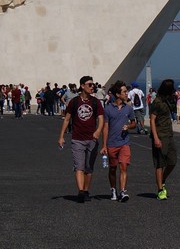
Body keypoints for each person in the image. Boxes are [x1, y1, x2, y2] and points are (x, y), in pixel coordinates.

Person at [57, 75, 105, 203]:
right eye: (89, 84)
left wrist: (98, 130)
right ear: (82, 86)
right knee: (79, 167)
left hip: (92, 139)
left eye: (93, 84)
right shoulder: (74, 102)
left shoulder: (96, 102)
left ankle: (86, 190)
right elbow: (67, 119)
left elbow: (101, 118)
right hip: (77, 138)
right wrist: (61, 136)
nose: (92, 86)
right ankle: (81, 192)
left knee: (89, 168)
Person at [102, 81, 136, 202]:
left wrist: (129, 126)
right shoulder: (108, 109)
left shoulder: (129, 108)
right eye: (124, 92)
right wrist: (104, 145)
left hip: (124, 142)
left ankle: (122, 191)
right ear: (117, 94)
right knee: (112, 168)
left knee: (123, 167)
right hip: (112, 143)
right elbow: (105, 127)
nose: (127, 94)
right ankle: (113, 189)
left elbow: (134, 123)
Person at [149, 79, 178, 199]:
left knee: (172, 161)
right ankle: (160, 189)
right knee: (160, 163)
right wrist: (155, 138)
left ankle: (163, 179)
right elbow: (152, 119)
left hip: (169, 134)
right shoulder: (157, 102)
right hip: (160, 135)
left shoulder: (169, 100)